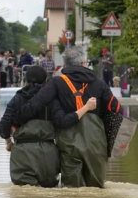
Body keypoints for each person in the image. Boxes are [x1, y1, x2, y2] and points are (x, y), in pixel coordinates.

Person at [11, 46, 122, 188]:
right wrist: (108, 143)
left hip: (69, 142)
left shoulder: (57, 83)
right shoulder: (99, 84)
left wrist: (15, 121)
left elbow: (36, 104)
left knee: (72, 191)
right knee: (97, 190)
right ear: (83, 63)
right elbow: (117, 110)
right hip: (96, 142)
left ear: (65, 64)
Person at [0, 65, 97, 188]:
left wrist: (9, 142)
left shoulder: (17, 99)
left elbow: (4, 126)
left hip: (22, 153)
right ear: (46, 80)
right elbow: (63, 121)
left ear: (26, 80)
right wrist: (87, 107)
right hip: (48, 154)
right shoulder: (52, 100)